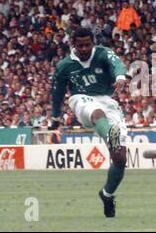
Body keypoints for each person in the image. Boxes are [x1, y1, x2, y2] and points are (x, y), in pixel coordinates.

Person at [51, 27, 129, 217]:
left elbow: (117, 64)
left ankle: (107, 194)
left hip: (108, 101)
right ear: (73, 45)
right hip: (81, 99)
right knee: (96, 113)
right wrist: (55, 117)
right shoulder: (65, 66)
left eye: (87, 44)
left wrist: (120, 77)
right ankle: (110, 135)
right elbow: (57, 92)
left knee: (120, 159)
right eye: (80, 45)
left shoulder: (103, 53)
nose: (84, 48)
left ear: (92, 43)